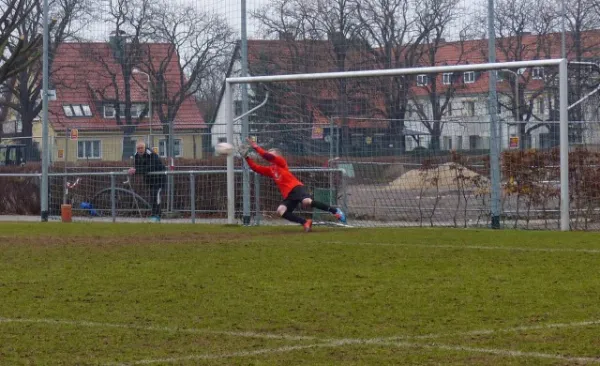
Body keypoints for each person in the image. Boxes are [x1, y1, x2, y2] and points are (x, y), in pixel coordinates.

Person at [240, 137, 346, 232]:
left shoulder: (281, 162)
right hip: (288, 195)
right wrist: (246, 157)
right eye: (269, 152)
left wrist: (256, 147)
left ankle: (335, 211)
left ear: (278, 155)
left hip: (296, 188)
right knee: (281, 210)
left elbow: (267, 156)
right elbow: (255, 168)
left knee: (307, 201)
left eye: (272, 152)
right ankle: (305, 222)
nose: (269, 153)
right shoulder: (271, 170)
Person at [128, 140, 166, 222]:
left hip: (159, 179)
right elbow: (138, 168)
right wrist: (133, 170)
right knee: (152, 197)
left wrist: (136, 170)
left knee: (156, 196)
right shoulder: (136, 156)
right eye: (138, 148)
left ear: (145, 148)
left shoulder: (151, 154)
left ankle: (157, 216)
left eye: (141, 148)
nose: (140, 150)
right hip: (149, 180)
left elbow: (150, 168)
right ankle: (154, 215)